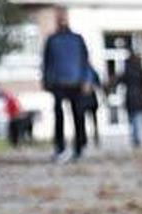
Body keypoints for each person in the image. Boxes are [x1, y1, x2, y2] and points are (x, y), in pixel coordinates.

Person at [42, 7, 91, 162]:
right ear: (56, 19)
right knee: (59, 117)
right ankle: (60, 148)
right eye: (59, 16)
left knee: (78, 116)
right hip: (58, 84)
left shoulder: (77, 39)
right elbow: (46, 62)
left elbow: (85, 61)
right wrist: (46, 81)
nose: (61, 18)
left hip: (76, 83)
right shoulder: (51, 40)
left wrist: (87, 80)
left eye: (63, 15)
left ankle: (79, 147)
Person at [116, 54, 142, 149]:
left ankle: (135, 138)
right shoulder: (141, 72)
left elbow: (118, 81)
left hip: (130, 98)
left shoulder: (127, 72)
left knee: (132, 120)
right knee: (138, 119)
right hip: (139, 98)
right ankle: (137, 138)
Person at [82, 66, 101, 148]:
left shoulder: (91, 71)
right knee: (83, 121)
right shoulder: (90, 71)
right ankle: (84, 139)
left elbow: (98, 84)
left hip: (90, 99)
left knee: (92, 121)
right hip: (84, 99)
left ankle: (95, 138)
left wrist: (92, 87)